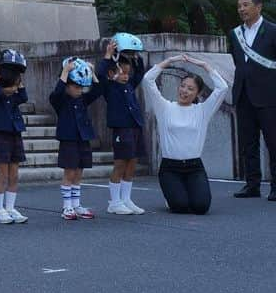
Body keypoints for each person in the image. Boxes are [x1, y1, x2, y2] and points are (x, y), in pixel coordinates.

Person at [143, 55, 229, 215]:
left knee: (201, 207)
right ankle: (173, 197)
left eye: (190, 89)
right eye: (183, 86)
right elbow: (148, 79)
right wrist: (168, 61)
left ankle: (186, 191)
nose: (184, 91)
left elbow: (223, 88)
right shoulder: (164, 108)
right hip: (170, 168)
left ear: (197, 93)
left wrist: (205, 65)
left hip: (194, 167)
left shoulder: (203, 111)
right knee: (180, 206)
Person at [227, 0, 276, 200]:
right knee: (248, 143)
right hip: (243, 94)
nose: (242, 10)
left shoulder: (273, 31)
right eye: (239, 6)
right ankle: (252, 184)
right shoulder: (234, 34)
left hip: (269, 95)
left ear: (258, 6)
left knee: (273, 142)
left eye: (246, 5)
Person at [97, 33, 147, 215]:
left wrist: (135, 56)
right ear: (112, 73)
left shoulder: (129, 84)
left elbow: (140, 73)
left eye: (128, 73)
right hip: (121, 127)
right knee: (120, 163)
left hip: (134, 125)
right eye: (122, 73)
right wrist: (108, 56)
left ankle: (126, 198)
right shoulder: (109, 86)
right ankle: (114, 201)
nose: (126, 76)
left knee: (132, 161)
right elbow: (100, 73)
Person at [50, 58, 102, 220]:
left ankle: (76, 205)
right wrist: (65, 71)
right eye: (76, 86)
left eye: (81, 87)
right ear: (68, 85)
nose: (80, 90)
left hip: (83, 137)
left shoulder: (82, 99)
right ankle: (67, 207)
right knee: (69, 172)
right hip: (69, 139)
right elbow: (56, 93)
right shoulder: (61, 100)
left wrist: (92, 73)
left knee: (79, 172)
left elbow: (98, 90)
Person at [0, 49, 29, 224]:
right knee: (2, 175)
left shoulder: (14, 96)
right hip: (0, 136)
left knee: (14, 174)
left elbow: (24, 96)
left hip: (15, 134)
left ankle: (10, 208)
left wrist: (19, 83)